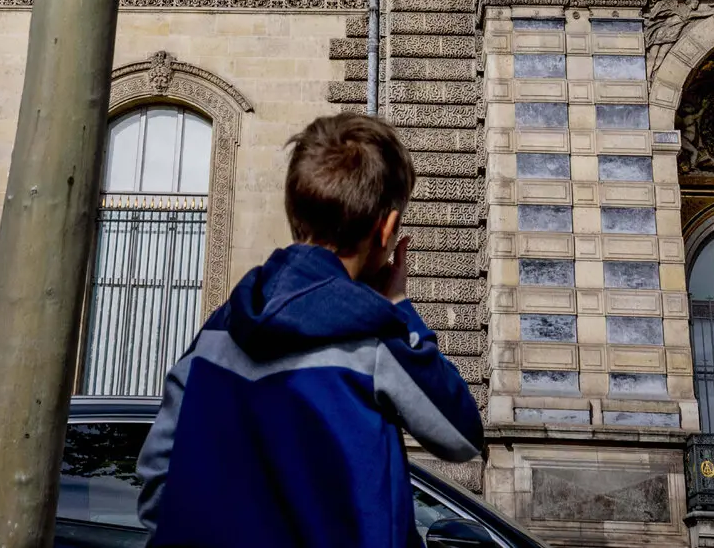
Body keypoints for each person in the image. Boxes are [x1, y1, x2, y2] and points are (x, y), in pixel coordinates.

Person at [135, 113, 483, 547]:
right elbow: (462, 435)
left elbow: (157, 475)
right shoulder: (375, 335)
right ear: (387, 229)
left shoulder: (219, 329)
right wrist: (399, 307)